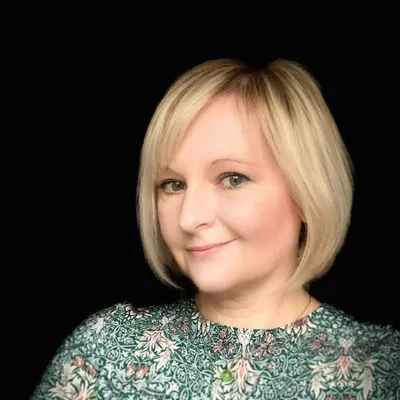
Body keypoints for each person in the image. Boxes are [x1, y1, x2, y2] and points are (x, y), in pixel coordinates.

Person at [32, 58, 400, 399]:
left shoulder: (379, 369)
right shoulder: (107, 349)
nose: (188, 218)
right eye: (172, 185)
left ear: (307, 193)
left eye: (232, 178)